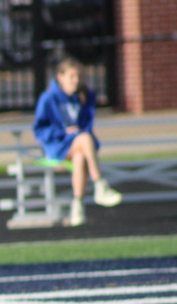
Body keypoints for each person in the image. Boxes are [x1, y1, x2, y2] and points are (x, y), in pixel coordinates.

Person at [33, 58, 122, 226]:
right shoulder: (48, 98)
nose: (76, 80)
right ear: (60, 77)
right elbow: (39, 130)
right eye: (72, 76)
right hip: (58, 146)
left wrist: (78, 134)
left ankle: (77, 207)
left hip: (78, 146)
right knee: (84, 138)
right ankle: (99, 184)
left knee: (80, 156)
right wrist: (63, 132)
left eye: (79, 76)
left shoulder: (85, 96)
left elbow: (87, 125)